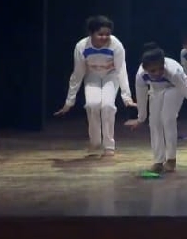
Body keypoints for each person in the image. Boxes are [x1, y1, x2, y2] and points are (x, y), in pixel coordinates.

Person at [124, 43, 187, 173]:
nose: (157, 73)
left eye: (160, 69)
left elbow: (185, 90)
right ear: (145, 68)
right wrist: (141, 118)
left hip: (174, 88)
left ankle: (171, 159)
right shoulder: (141, 76)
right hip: (156, 89)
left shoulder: (173, 72)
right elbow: (142, 97)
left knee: (167, 119)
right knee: (154, 122)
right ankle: (158, 161)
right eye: (153, 71)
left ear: (164, 64)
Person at [54, 15, 136, 157]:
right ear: (91, 33)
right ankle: (95, 141)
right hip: (92, 75)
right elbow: (78, 73)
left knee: (108, 106)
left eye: (107, 34)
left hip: (111, 75)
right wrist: (69, 101)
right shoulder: (81, 46)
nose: (104, 37)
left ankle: (109, 145)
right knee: (92, 104)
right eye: (100, 34)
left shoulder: (116, 45)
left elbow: (121, 70)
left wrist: (126, 97)